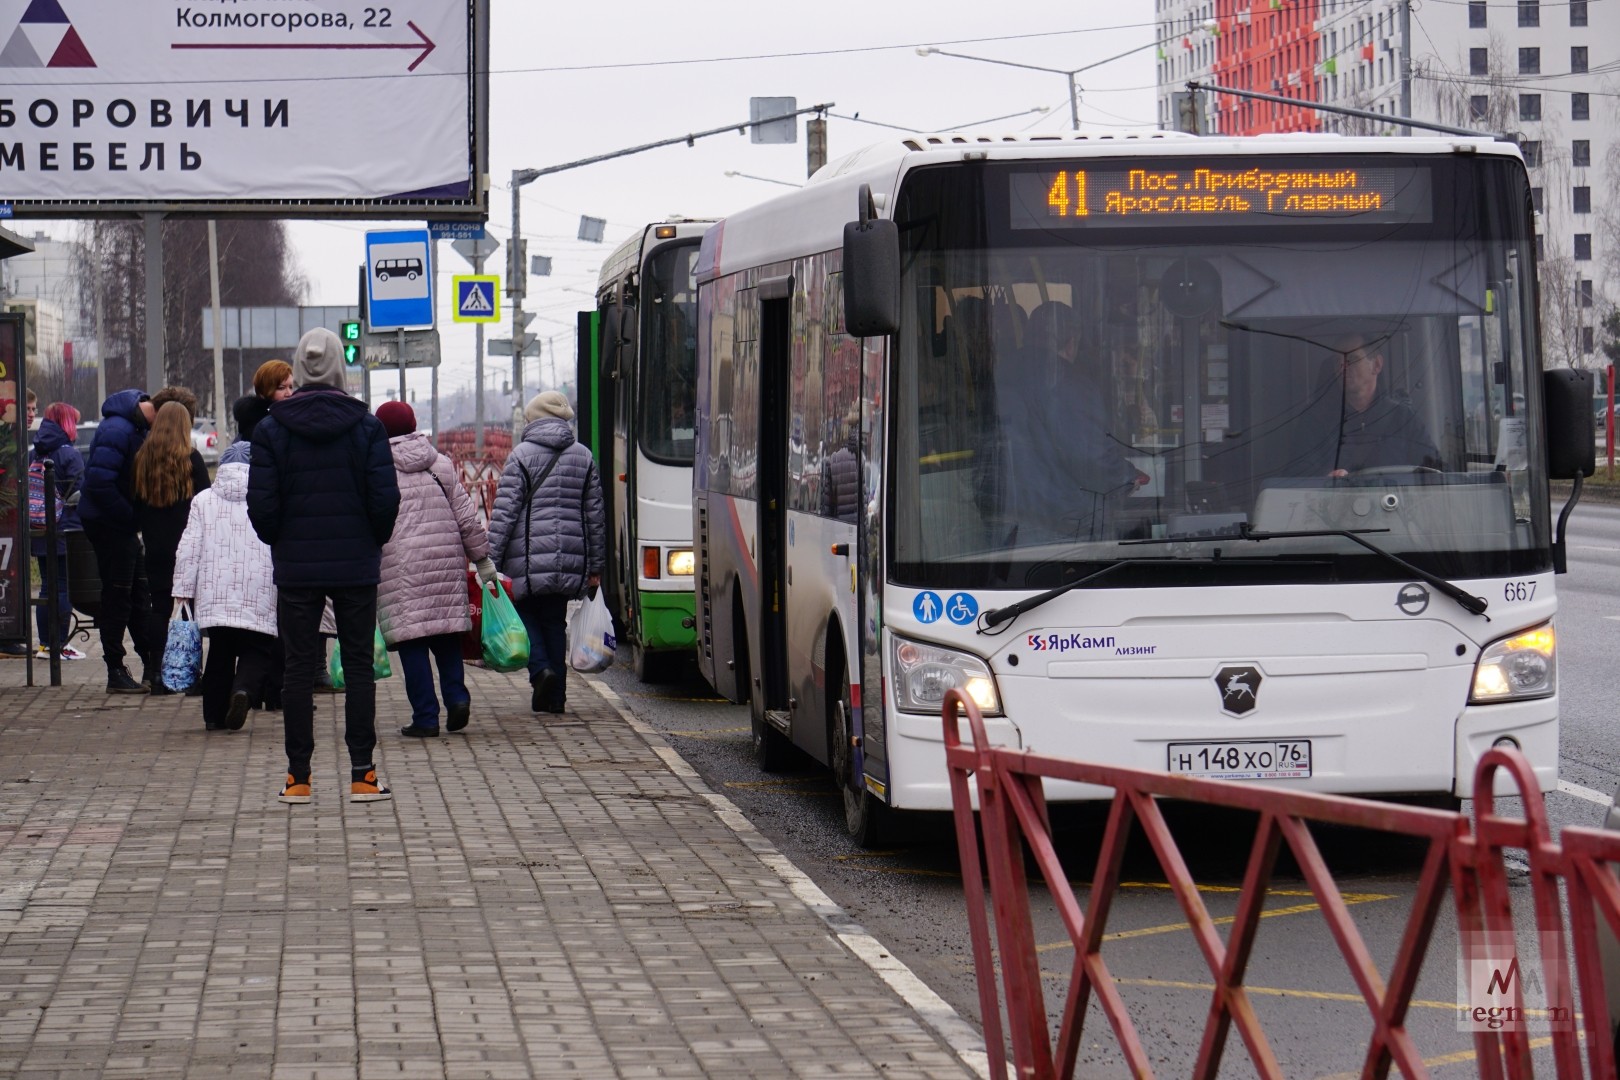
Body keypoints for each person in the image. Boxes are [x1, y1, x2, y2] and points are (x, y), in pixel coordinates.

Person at [248, 327, 400, 805]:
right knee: (357, 666)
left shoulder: (271, 429)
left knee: (296, 668)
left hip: (296, 566)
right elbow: (385, 501)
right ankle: (362, 775)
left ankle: (298, 779)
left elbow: (262, 507)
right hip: (356, 564)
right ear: (339, 368)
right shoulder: (367, 426)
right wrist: (370, 541)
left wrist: (282, 541)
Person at [373, 401, 496, 738]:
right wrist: (482, 559)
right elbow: (466, 517)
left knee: (412, 643)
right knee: (445, 638)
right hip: (445, 563)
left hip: (400, 568)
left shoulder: (376, 468)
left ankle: (426, 718)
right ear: (414, 426)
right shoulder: (439, 464)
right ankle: (457, 699)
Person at [486, 390, 605, 714]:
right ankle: (556, 698)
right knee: (554, 622)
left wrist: (490, 560)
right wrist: (596, 565)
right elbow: (595, 516)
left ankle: (541, 671)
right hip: (569, 557)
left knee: (524, 616)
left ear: (533, 419)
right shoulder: (584, 456)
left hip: (526, 557)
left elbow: (504, 512)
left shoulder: (521, 456)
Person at [987, 301, 1145, 543]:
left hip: (1005, 515)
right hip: (1060, 523)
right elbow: (1087, 455)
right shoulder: (1067, 382)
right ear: (1072, 341)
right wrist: (1126, 477)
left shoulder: (1001, 372)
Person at [171, 419, 277, 732]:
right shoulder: (268, 496)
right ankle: (243, 689)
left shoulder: (203, 500)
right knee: (257, 647)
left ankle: (214, 716)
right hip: (260, 587)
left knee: (220, 651)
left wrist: (182, 590)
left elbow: (188, 549)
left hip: (214, 592)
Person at [79, 388, 158, 693]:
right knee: (119, 593)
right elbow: (99, 482)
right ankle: (116, 669)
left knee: (137, 592)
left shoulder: (132, 426)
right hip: (110, 524)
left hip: (117, 524)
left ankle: (151, 664)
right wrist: (129, 517)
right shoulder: (118, 428)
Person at [134, 394, 211, 696]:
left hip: (154, 545)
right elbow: (205, 499)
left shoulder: (142, 458)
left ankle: (156, 674)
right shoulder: (191, 459)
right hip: (187, 546)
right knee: (190, 609)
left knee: (160, 607)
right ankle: (191, 675)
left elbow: (136, 503)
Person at [1306, 333, 1443, 477]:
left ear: (1377, 365)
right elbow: (1297, 477)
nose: (1342, 368)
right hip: (1334, 499)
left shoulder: (1403, 418)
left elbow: (1436, 472)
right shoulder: (1316, 420)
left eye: (1351, 360)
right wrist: (1326, 478)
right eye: (1337, 362)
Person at [29, 403, 86, 661]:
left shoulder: (34, 452)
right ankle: (60, 644)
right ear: (67, 423)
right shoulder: (68, 454)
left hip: (39, 527)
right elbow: (78, 493)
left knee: (45, 588)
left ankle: (44, 645)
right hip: (64, 529)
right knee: (62, 587)